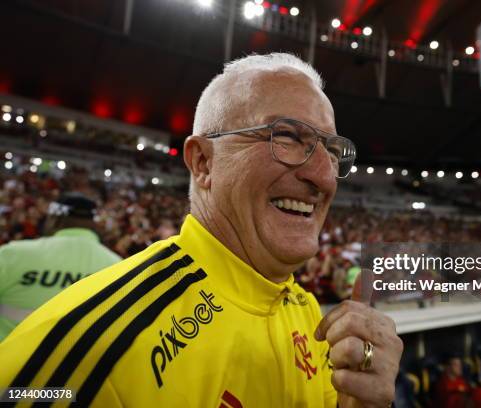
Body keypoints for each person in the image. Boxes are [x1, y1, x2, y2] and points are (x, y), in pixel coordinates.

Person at [0, 53, 403, 407]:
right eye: (287, 136)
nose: (324, 176)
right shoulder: (93, 346)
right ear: (203, 163)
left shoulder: (306, 311)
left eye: (331, 152)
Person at [0, 192, 121, 342]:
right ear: (93, 223)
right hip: (78, 363)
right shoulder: (117, 266)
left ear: (54, 219)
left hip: (10, 361)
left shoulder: (12, 254)